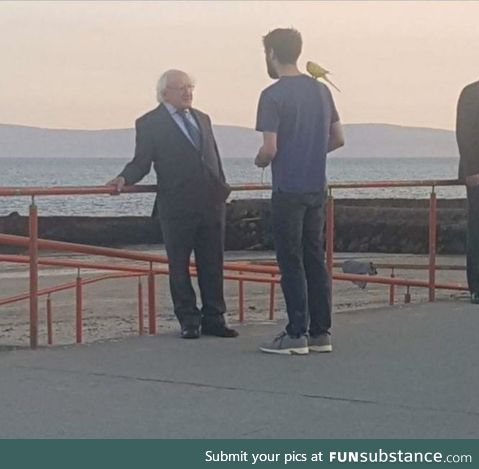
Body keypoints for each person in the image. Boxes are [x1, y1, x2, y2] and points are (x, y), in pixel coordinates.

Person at [107, 70, 238, 339]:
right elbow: (142, 161)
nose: (188, 92)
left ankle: (214, 317)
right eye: (181, 88)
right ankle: (189, 319)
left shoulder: (202, 118)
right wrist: (123, 178)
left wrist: (222, 188)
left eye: (190, 87)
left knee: (213, 262)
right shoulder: (149, 123)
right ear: (165, 92)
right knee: (179, 265)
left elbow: (212, 157)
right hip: (176, 203)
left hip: (211, 202)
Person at [254, 28, 345, 355]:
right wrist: (312, 150)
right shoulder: (321, 92)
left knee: (290, 261)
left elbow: (270, 148)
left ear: (272, 55)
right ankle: (322, 332)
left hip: (288, 188)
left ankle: (296, 333)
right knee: (314, 259)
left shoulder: (272, 95)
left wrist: (259, 160)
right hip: (315, 186)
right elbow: (338, 138)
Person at [456, 79, 479, 304]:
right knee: (478, 229)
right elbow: (464, 133)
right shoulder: (472, 92)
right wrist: (472, 169)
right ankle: (478, 287)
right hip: (478, 175)